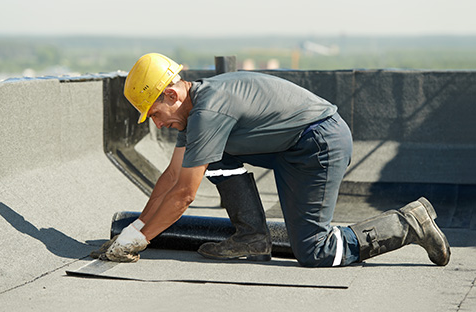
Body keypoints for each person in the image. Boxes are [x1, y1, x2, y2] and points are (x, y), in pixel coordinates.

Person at [93, 53, 450, 267]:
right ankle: (252, 236)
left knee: (315, 251)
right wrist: (135, 228)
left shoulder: (208, 110)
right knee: (209, 157)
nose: (158, 124)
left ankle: (406, 224)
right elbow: (171, 178)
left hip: (319, 144)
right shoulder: (194, 113)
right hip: (292, 146)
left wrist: (139, 242)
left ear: (171, 93)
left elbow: (184, 195)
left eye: (155, 114)